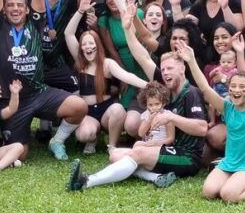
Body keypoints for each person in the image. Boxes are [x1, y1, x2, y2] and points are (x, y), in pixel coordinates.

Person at [0, 0, 89, 157]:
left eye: (19, 5)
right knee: (20, 153)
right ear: (4, 10)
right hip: (11, 99)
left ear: (26, 9)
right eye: (10, 5)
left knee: (79, 107)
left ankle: (57, 140)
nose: (15, 8)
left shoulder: (35, 23)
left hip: (39, 93)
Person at [67, 50, 208, 192]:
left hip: (187, 156)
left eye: (169, 68)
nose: (165, 73)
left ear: (182, 69)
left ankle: (86, 181)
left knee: (137, 153)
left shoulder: (191, 93)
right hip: (167, 149)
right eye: (163, 69)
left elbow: (202, 129)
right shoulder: (169, 94)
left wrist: (171, 117)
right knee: (115, 155)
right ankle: (155, 177)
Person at [180, 36, 245, 203]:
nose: (236, 90)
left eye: (242, 87)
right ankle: (233, 179)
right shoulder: (227, 107)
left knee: (228, 195)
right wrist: (191, 61)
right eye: (233, 86)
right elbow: (204, 88)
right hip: (231, 162)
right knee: (209, 192)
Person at [65, 0, 152, 153]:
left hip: (106, 110)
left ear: (98, 46)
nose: (88, 47)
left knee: (118, 109)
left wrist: (148, 85)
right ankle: (93, 138)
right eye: (84, 44)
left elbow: (128, 76)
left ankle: (111, 145)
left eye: (92, 44)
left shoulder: (107, 63)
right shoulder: (80, 62)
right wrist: (80, 11)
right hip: (88, 112)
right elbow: (68, 34)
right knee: (84, 135)